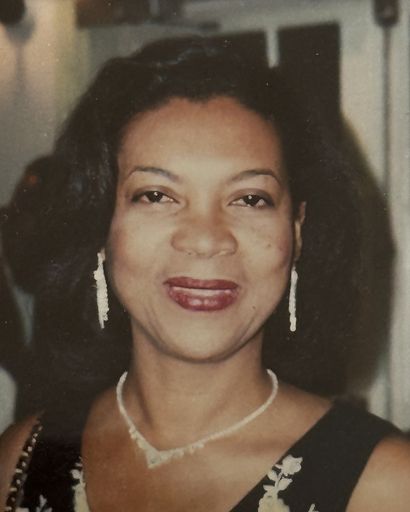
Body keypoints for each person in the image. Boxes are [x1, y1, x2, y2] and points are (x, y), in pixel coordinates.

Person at [0, 37, 409, 512]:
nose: (206, 239)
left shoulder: (385, 485)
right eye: (156, 195)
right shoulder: (21, 459)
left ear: (297, 232)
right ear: (101, 225)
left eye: (250, 199)